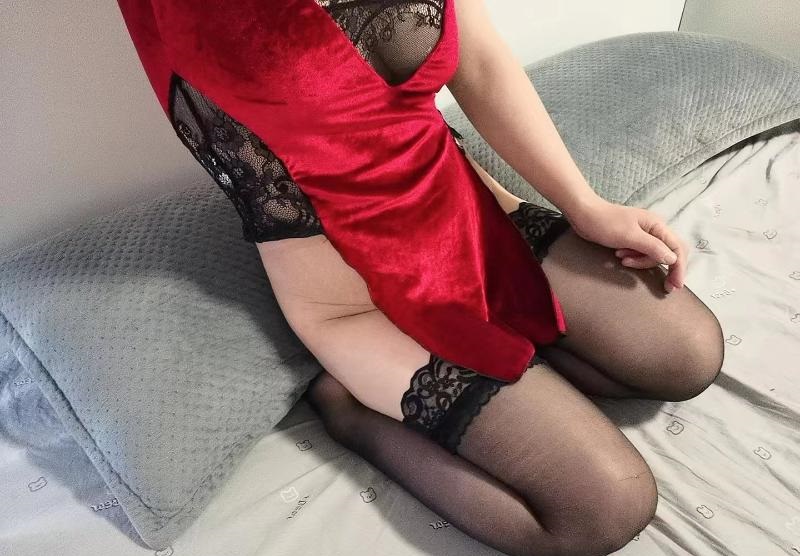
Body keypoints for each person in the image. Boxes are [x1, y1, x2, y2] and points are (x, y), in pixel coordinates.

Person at [117, 0, 725, 554]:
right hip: (356, 301)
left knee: (686, 356)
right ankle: (347, 409)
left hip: (479, 223)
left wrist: (585, 205)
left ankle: (516, 351)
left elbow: (480, 64)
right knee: (605, 507)